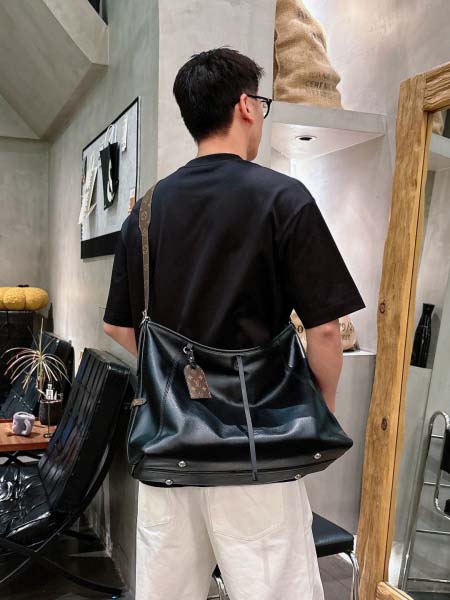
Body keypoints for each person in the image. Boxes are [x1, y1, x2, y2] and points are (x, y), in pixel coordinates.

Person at [103, 46, 365, 600]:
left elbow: (120, 328)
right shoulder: (283, 197)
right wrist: (317, 405)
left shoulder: (144, 212)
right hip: (258, 457)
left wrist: (181, 376)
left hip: (170, 453)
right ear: (246, 105)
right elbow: (324, 330)